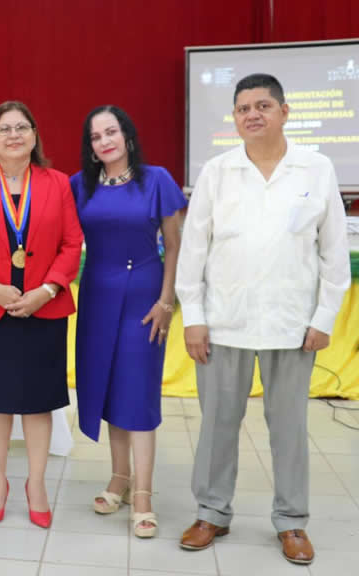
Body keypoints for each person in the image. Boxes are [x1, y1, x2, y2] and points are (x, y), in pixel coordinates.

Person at [176, 73, 350, 565]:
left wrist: (323, 316)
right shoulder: (218, 171)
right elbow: (195, 249)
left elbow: (333, 254)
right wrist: (195, 316)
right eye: (242, 108)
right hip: (224, 321)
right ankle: (212, 512)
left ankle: (292, 521)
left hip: (292, 326)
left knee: (290, 428)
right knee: (217, 427)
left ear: (285, 112)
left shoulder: (314, 169)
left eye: (263, 106)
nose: (252, 114)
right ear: (234, 118)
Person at [0, 101, 82, 529]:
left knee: (40, 402)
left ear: (34, 135)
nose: (13, 135)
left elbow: (70, 244)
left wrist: (45, 291)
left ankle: (37, 484)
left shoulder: (57, 183)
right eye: (3, 129)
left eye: (21, 127)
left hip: (42, 311)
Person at [71, 105, 186, 538]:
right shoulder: (79, 185)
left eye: (111, 132)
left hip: (145, 297)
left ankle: (144, 495)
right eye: (96, 136)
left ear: (127, 136)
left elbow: (173, 245)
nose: (104, 141)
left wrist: (166, 301)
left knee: (137, 389)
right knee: (107, 386)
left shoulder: (156, 179)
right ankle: (120, 478)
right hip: (97, 294)